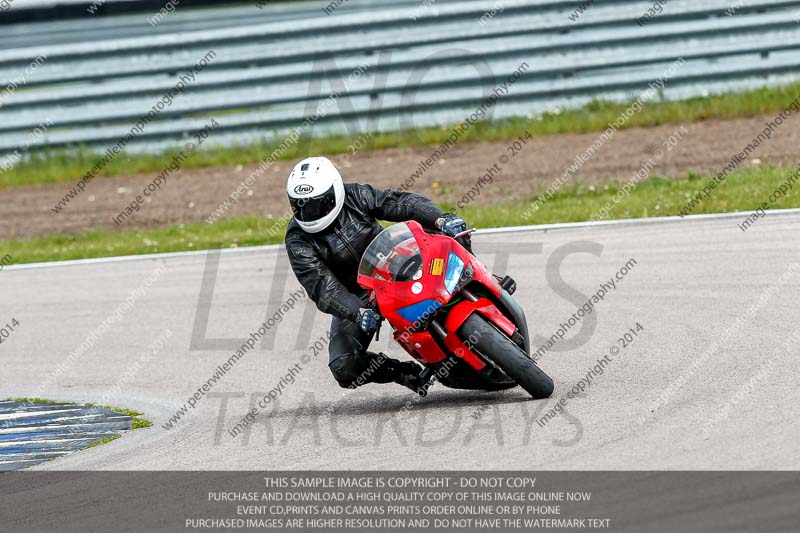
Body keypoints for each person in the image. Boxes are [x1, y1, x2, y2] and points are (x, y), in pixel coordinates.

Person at [284, 156, 469, 395]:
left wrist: (439, 217)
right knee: (343, 365)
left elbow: (400, 203)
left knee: (451, 231)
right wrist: (356, 310)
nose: (309, 213)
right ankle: (405, 373)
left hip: (397, 260)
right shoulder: (297, 239)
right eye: (301, 206)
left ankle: (480, 281)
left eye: (317, 204)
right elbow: (321, 286)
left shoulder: (355, 195)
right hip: (359, 295)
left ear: (335, 191)